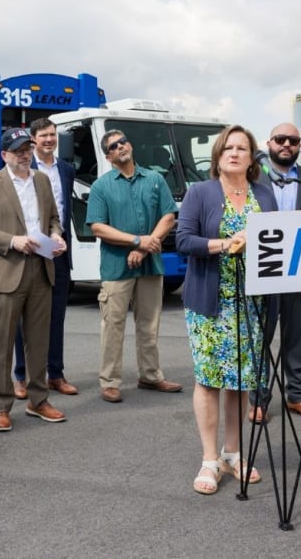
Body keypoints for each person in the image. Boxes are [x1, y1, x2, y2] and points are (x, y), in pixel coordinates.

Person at [176, 124, 276, 495]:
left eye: (242, 148)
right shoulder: (200, 192)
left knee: (240, 380)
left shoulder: (264, 193)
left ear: (252, 158)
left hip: (252, 303)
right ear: (218, 156)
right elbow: (184, 240)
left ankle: (233, 453)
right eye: (227, 148)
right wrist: (227, 243)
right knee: (209, 379)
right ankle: (209, 460)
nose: (234, 153)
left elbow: (277, 239)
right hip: (210, 303)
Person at [0, 127, 68, 432]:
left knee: (39, 340)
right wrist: (13, 241)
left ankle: (38, 400)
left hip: (41, 267)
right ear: (4, 155)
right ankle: (1, 405)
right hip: (7, 270)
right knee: (4, 342)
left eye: (27, 149)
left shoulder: (41, 180)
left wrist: (56, 235)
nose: (25, 155)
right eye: (18, 150)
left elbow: (53, 218)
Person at [86, 129, 182, 404]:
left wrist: (143, 248)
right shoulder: (101, 186)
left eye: (123, 141)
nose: (121, 146)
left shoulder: (155, 179)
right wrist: (137, 241)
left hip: (150, 264)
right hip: (116, 267)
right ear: (108, 156)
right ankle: (109, 382)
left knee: (149, 325)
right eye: (114, 146)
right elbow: (98, 227)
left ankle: (150, 376)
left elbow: (168, 217)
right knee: (113, 325)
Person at [249, 123, 301, 423]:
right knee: (260, 340)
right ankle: (257, 401)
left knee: (296, 338)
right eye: (280, 139)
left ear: (299, 146)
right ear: (269, 142)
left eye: (293, 141)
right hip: (264, 271)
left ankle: (297, 396)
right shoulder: (252, 178)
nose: (286, 145)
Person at [13, 118, 78, 399]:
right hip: (28, 251)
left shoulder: (66, 169)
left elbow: (62, 210)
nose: (49, 140)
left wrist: (60, 237)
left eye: (53, 134)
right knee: (23, 317)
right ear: (33, 139)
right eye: (43, 136)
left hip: (58, 251)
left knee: (56, 317)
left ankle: (56, 374)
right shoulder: (24, 167)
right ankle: (22, 375)